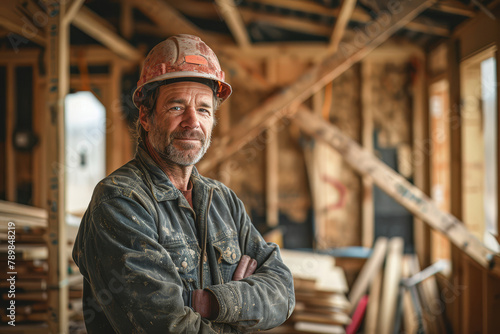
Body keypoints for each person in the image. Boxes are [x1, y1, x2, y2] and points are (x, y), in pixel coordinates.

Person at [72, 34, 295, 333]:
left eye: (203, 109)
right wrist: (241, 312)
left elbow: (283, 292)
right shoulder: (119, 201)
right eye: (176, 107)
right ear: (146, 116)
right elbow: (168, 326)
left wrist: (211, 302)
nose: (193, 121)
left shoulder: (223, 201)